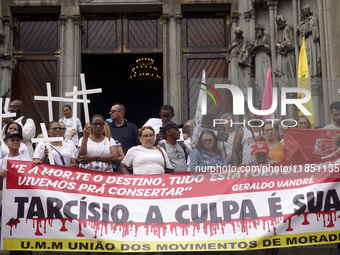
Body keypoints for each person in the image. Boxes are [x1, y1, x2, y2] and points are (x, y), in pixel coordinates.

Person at [297, 4, 321, 79]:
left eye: (306, 9)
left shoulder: (313, 18)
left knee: (313, 55)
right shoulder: (301, 23)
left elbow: (316, 29)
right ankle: (308, 75)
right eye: (303, 10)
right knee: (307, 58)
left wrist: (308, 31)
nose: (304, 11)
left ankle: (314, 73)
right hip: (305, 42)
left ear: (309, 10)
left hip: (311, 40)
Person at [226, 27, 251, 95]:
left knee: (244, 80)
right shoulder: (233, 42)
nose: (238, 35)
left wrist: (243, 59)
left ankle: (244, 97)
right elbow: (228, 51)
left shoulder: (245, 41)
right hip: (233, 60)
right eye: (236, 34)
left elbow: (247, 52)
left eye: (239, 34)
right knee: (235, 79)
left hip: (240, 62)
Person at [250, 24, 271, 103]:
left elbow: (270, 48)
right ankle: (260, 97)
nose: (257, 32)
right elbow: (251, 51)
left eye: (258, 30)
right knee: (258, 79)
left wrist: (262, 46)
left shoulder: (267, 37)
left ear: (262, 30)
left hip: (265, 57)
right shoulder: (255, 40)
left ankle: (266, 96)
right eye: (256, 30)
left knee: (265, 77)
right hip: (257, 58)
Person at [274, 14, 296, 88]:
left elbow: (291, 43)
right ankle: (283, 89)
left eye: (279, 22)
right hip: (280, 55)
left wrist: (285, 45)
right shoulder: (279, 31)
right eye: (277, 23)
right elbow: (276, 42)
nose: (279, 24)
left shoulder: (288, 28)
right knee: (281, 74)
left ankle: (291, 88)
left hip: (288, 54)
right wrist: (279, 46)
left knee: (289, 71)